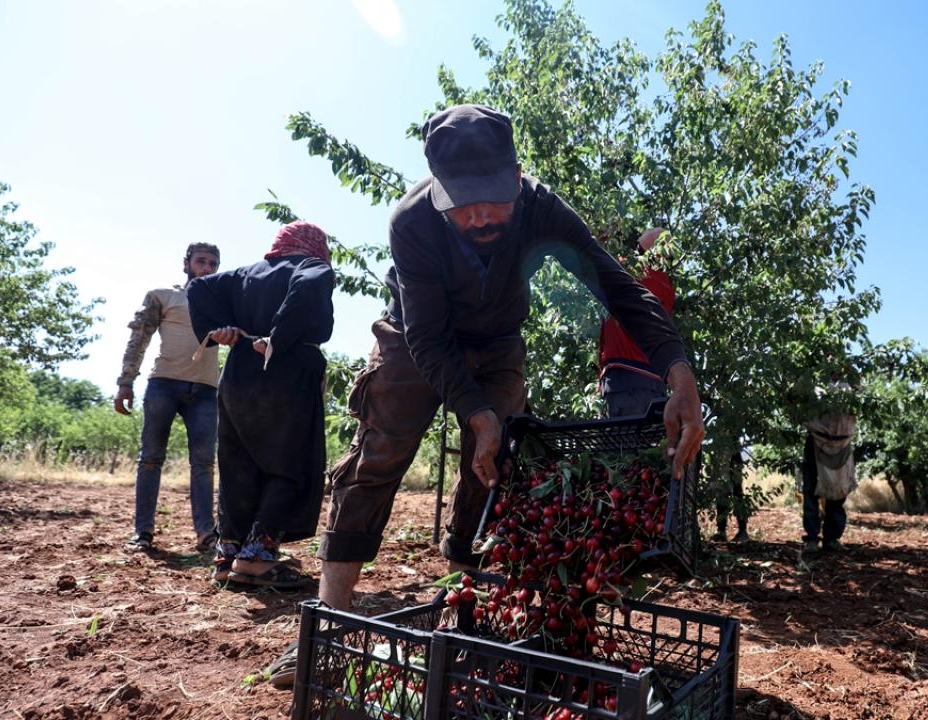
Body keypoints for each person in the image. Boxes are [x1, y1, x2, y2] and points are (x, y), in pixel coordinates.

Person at [264, 104, 705, 688]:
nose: (478, 215)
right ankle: (329, 622)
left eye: (492, 197)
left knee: (492, 468)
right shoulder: (413, 221)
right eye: (461, 201)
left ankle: (465, 614)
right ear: (439, 190)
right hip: (414, 340)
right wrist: (473, 412)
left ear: (518, 178)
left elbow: (619, 288)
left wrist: (679, 372)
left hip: (497, 344)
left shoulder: (542, 207)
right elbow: (427, 337)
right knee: (381, 453)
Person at [187, 221, 335, 590]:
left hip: (238, 376)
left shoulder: (243, 275)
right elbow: (310, 285)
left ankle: (227, 557)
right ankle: (256, 558)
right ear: (314, 245)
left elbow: (198, 288)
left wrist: (217, 328)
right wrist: (279, 339)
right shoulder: (310, 266)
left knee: (239, 464)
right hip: (287, 373)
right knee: (290, 464)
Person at [114, 243, 221, 554]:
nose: (207, 268)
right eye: (201, 261)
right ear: (186, 263)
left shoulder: (222, 303)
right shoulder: (163, 295)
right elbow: (139, 338)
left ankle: (206, 534)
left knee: (203, 463)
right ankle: (142, 533)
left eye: (213, 263)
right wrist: (125, 383)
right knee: (150, 459)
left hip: (205, 390)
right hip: (163, 385)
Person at [598, 227, 672, 418]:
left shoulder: (630, 271)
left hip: (627, 377)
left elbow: (595, 262)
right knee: (647, 444)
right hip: (652, 380)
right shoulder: (665, 284)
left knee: (625, 443)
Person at [801, 407, 857, 553]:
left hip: (842, 444)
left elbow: (859, 399)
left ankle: (831, 539)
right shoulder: (814, 384)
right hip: (816, 441)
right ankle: (812, 539)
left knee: (839, 492)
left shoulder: (851, 386)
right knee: (811, 491)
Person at [712, 449, 749, 543]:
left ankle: (742, 530)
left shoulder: (732, 439)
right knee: (722, 494)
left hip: (732, 456)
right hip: (721, 455)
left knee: (737, 493)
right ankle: (721, 531)